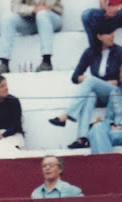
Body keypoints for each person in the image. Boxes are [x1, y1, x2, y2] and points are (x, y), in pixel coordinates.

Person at [48, 21, 122, 150]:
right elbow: (75, 77)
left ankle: (66, 114)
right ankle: (82, 138)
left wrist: (116, 81)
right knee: (90, 95)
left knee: (91, 81)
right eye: (108, 33)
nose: (112, 36)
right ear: (99, 36)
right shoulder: (90, 52)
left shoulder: (119, 51)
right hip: (98, 93)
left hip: (115, 92)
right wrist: (88, 79)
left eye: (112, 33)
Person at [0, 1, 63, 74]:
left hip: (51, 17)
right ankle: (4, 62)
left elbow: (49, 5)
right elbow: (15, 7)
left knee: (42, 14)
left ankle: (47, 60)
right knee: (9, 19)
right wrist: (32, 9)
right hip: (31, 18)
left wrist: (37, 9)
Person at [88, 64, 122, 153]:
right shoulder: (115, 92)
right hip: (115, 130)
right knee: (97, 128)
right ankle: (105, 160)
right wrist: (111, 124)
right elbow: (109, 117)